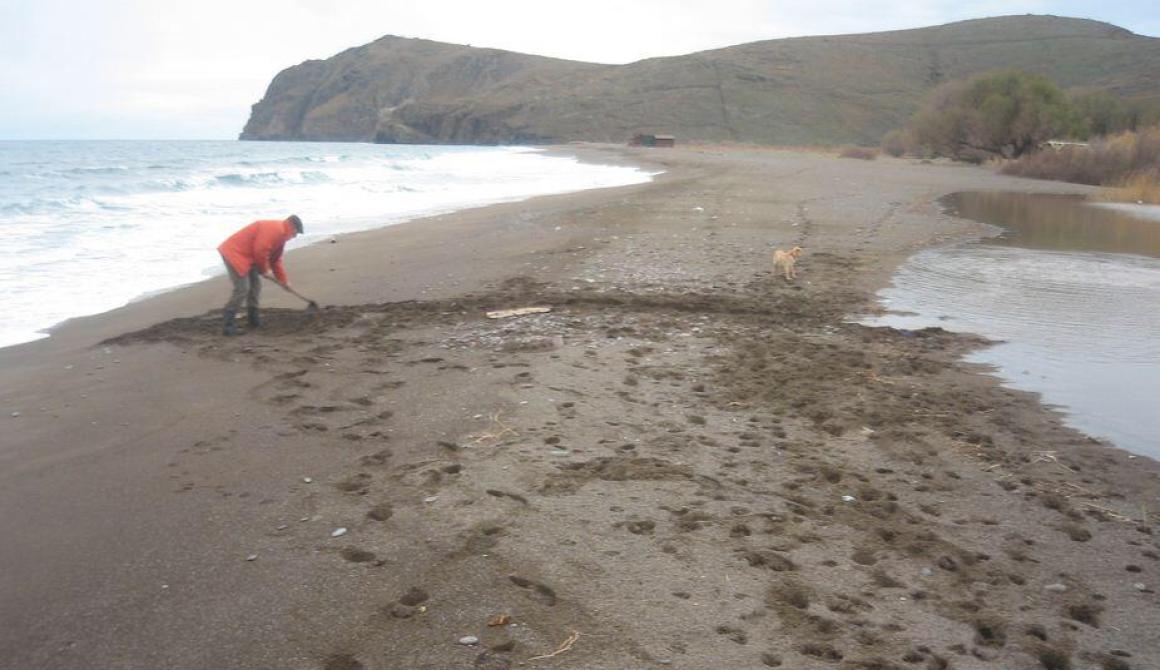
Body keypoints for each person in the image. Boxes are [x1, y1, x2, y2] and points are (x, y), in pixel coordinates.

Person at [217, 215, 303, 336]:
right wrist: (265, 270)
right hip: (235, 252)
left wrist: (284, 281)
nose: (295, 236)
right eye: (296, 233)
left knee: (256, 286)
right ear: (292, 227)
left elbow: (276, 260)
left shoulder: (281, 236)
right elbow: (260, 250)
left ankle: (253, 319)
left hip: (249, 256)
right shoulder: (276, 230)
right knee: (242, 288)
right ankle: (228, 324)